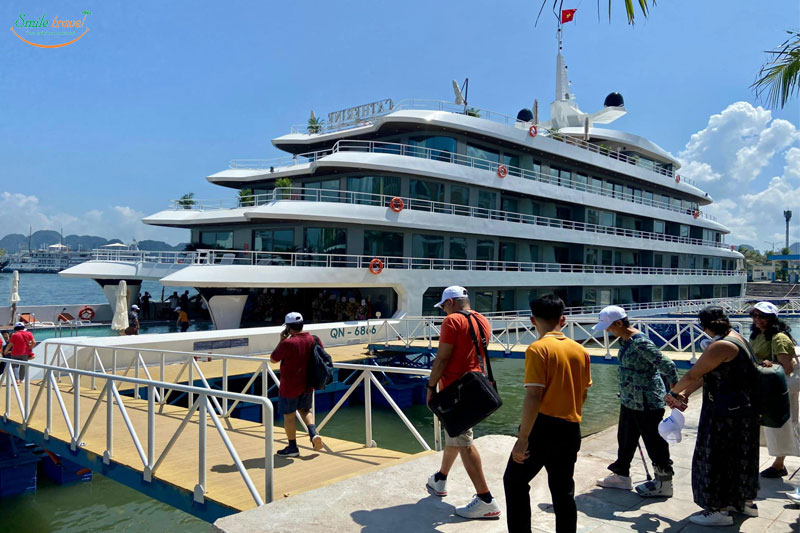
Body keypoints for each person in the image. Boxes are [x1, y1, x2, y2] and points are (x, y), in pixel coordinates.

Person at [503, 295, 591, 533]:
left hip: (542, 428)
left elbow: (533, 396)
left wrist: (523, 440)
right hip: (571, 427)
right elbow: (582, 394)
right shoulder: (580, 350)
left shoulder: (538, 349)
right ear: (563, 319)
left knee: (514, 482)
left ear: (533, 320)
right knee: (563, 491)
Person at [666, 306, 759, 526]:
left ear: (704, 326)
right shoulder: (736, 338)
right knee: (740, 457)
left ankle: (719, 510)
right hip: (743, 411)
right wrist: (686, 392)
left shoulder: (720, 346)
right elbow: (709, 374)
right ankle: (743, 502)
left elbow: (693, 373)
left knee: (716, 457)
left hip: (724, 413)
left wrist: (672, 393)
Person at [425, 286, 501, 520]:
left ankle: (486, 499)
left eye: (443, 307)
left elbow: (442, 358)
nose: (443, 312)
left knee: (464, 441)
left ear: (449, 303)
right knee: (456, 433)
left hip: (454, 390)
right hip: (475, 386)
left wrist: (430, 387)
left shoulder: (452, 322)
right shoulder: (482, 320)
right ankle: (440, 479)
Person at [594, 305, 678, 497]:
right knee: (625, 438)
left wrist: (674, 393)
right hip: (630, 399)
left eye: (609, 327)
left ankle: (664, 483)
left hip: (646, 401)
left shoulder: (640, 342)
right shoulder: (625, 340)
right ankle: (621, 475)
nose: (607, 330)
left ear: (619, 323)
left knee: (654, 442)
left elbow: (668, 366)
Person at [747, 301, 800, 478]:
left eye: (762, 316)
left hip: (778, 390)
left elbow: (787, 368)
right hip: (764, 389)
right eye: (754, 315)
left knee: (782, 425)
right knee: (768, 425)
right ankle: (777, 463)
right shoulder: (756, 336)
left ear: (772, 318)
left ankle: (779, 464)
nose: (757, 319)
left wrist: (770, 364)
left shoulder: (779, 338)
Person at [269, 312, 324, 456]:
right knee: (306, 410)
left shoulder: (288, 343)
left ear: (287, 327)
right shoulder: (313, 339)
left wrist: (281, 340)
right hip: (308, 384)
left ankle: (292, 447)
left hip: (290, 386)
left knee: (289, 416)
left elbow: (273, 359)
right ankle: (313, 434)